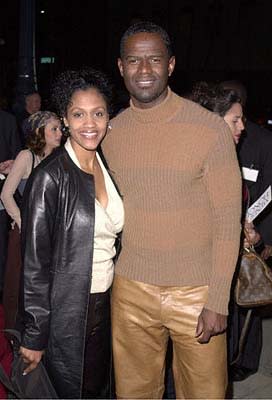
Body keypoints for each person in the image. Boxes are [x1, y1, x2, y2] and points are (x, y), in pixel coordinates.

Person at [102, 21, 242, 399]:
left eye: (154, 59)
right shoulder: (108, 134)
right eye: (134, 60)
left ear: (171, 65)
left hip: (197, 293)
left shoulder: (209, 128)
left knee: (204, 394)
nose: (144, 70)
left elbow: (229, 223)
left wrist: (217, 301)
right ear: (120, 66)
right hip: (131, 289)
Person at [17, 67, 124, 399]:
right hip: (67, 311)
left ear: (109, 118)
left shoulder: (110, 165)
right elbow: (34, 264)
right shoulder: (50, 178)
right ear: (64, 118)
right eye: (78, 114)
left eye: (98, 113)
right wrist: (35, 336)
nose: (89, 124)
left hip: (109, 304)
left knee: (98, 389)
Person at [1, 111, 62, 329]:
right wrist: (22, 221)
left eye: (59, 128)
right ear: (39, 132)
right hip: (27, 233)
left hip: (52, 234)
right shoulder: (27, 156)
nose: (59, 133)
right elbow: (6, 194)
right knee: (23, 285)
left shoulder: (59, 157)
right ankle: (20, 335)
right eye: (53, 129)